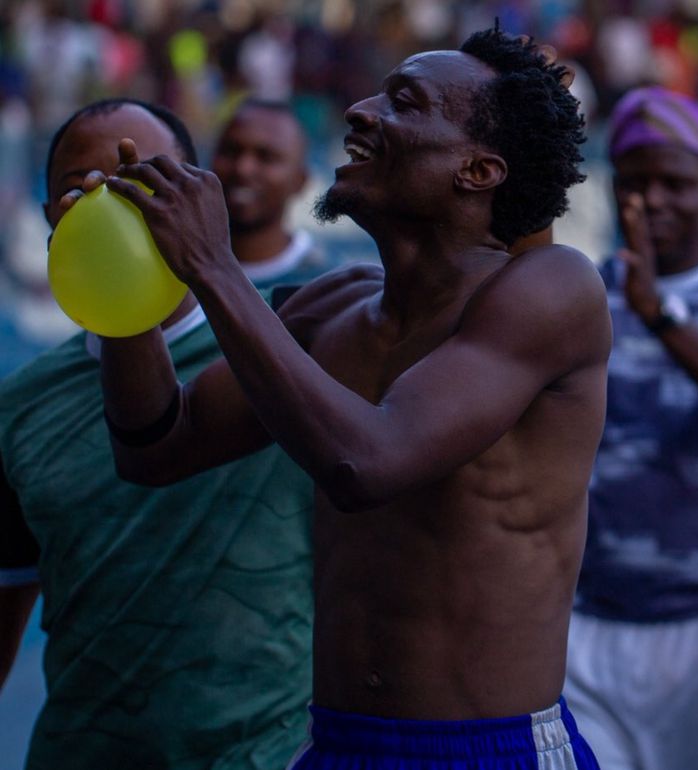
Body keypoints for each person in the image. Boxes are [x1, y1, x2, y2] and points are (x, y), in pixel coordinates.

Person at [93, 29, 610, 770]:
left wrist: (212, 265)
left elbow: (366, 463)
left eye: (404, 102)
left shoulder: (553, 290)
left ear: (479, 169)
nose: (360, 112)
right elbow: (153, 447)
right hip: (337, 746)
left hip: (489, 751)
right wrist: (127, 275)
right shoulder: (331, 307)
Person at [0, 98, 317, 770]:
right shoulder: (20, 407)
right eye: (75, 188)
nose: (108, 200)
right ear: (50, 221)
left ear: (201, 201)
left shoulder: (289, 353)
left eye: (141, 179)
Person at [564, 86, 698, 770]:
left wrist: (659, 314)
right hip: (591, 623)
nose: (652, 201)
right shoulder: (577, 297)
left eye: (676, 183)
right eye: (635, 182)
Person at [211, 97, 333, 287]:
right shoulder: (177, 270)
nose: (243, 168)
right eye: (231, 151)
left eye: (266, 157)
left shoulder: (329, 286)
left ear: (300, 181)